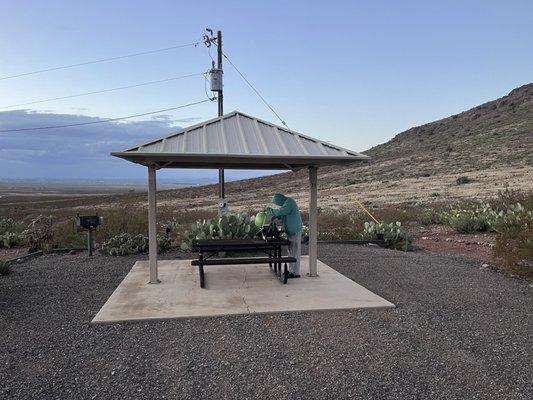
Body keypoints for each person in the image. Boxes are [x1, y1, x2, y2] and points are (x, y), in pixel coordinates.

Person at [266, 193, 303, 278]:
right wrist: (275, 217)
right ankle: (291, 271)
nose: (277, 205)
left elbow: (282, 211)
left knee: (295, 251)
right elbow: (282, 214)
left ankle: (295, 273)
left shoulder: (290, 201)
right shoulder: (286, 204)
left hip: (295, 229)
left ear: (279, 199)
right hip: (291, 231)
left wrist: (271, 211)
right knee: (291, 251)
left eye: (276, 203)